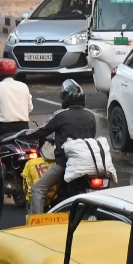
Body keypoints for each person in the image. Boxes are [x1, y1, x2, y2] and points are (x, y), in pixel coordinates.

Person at [25, 80, 96, 214]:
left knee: (38, 189)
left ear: (65, 98)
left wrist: (26, 134)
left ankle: (35, 225)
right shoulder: (90, 116)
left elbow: (42, 130)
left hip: (66, 163)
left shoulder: (61, 115)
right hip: (90, 163)